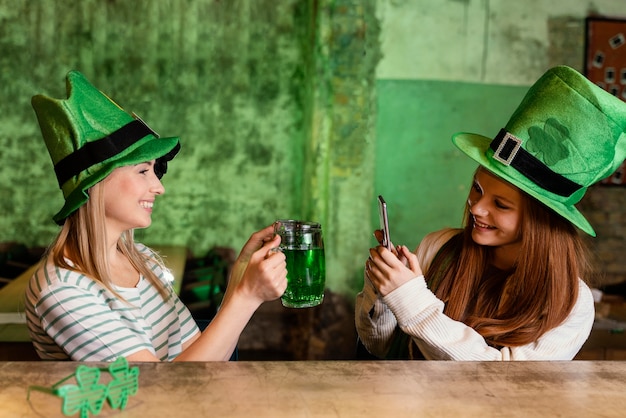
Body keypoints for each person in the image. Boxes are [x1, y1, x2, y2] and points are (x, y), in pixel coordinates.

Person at [355, 65, 626, 361]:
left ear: (541, 221)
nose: (477, 207)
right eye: (477, 189)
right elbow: (382, 349)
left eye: (501, 205)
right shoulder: (438, 246)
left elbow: (506, 380)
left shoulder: (572, 300)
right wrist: (383, 293)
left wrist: (410, 299)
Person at [24, 70, 288, 362]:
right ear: (94, 184)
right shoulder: (64, 291)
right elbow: (158, 397)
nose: (159, 187)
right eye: (142, 171)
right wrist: (247, 297)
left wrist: (239, 284)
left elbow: (200, 359)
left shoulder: (143, 260)